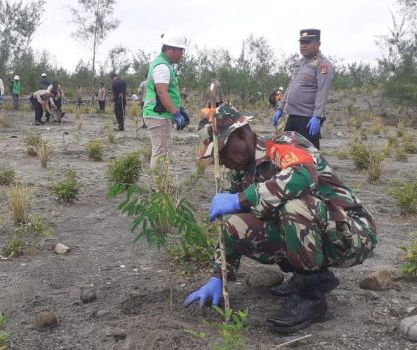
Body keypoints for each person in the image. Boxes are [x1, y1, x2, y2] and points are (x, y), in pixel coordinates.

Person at [185, 105, 377, 333]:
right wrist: (218, 276)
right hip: (320, 234)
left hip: (352, 234)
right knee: (235, 224)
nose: (222, 161)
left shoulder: (283, 144)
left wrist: (244, 197)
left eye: (223, 151)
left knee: (293, 204)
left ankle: (311, 297)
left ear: (242, 134)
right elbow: (238, 221)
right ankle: (316, 276)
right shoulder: (243, 174)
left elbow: (303, 175)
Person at [274, 29, 334, 149]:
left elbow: (322, 92)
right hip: (291, 116)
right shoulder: (299, 63)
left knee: (308, 155)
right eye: (301, 42)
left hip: (307, 119)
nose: (303, 46)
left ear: (318, 44)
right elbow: (290, 86)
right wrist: (280, 108)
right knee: (288, 151)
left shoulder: (323, 65)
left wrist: (317, 116)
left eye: (307, 42)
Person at [142, 31, 190, 170]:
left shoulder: (165, 64)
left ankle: (161, 185)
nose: (182, 53)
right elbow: (162, 93)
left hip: (161, 115)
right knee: (160, 153)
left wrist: (179, 109)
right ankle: (158, 189)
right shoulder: (162, 66)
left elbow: (168, 92)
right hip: (158, 116)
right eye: (180, 50)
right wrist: (176, 113)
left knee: (162, 151)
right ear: (169, 49)